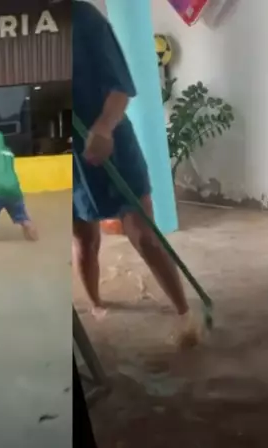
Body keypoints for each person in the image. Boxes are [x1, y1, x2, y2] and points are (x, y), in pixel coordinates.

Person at [72, 1, 198, 345]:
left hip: (109, 139)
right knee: (84, 239)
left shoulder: (83, 17)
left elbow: (120, 86)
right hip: (69, 155)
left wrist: (104, 126)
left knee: (143, 234)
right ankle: (97, 305)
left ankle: (185, 314)